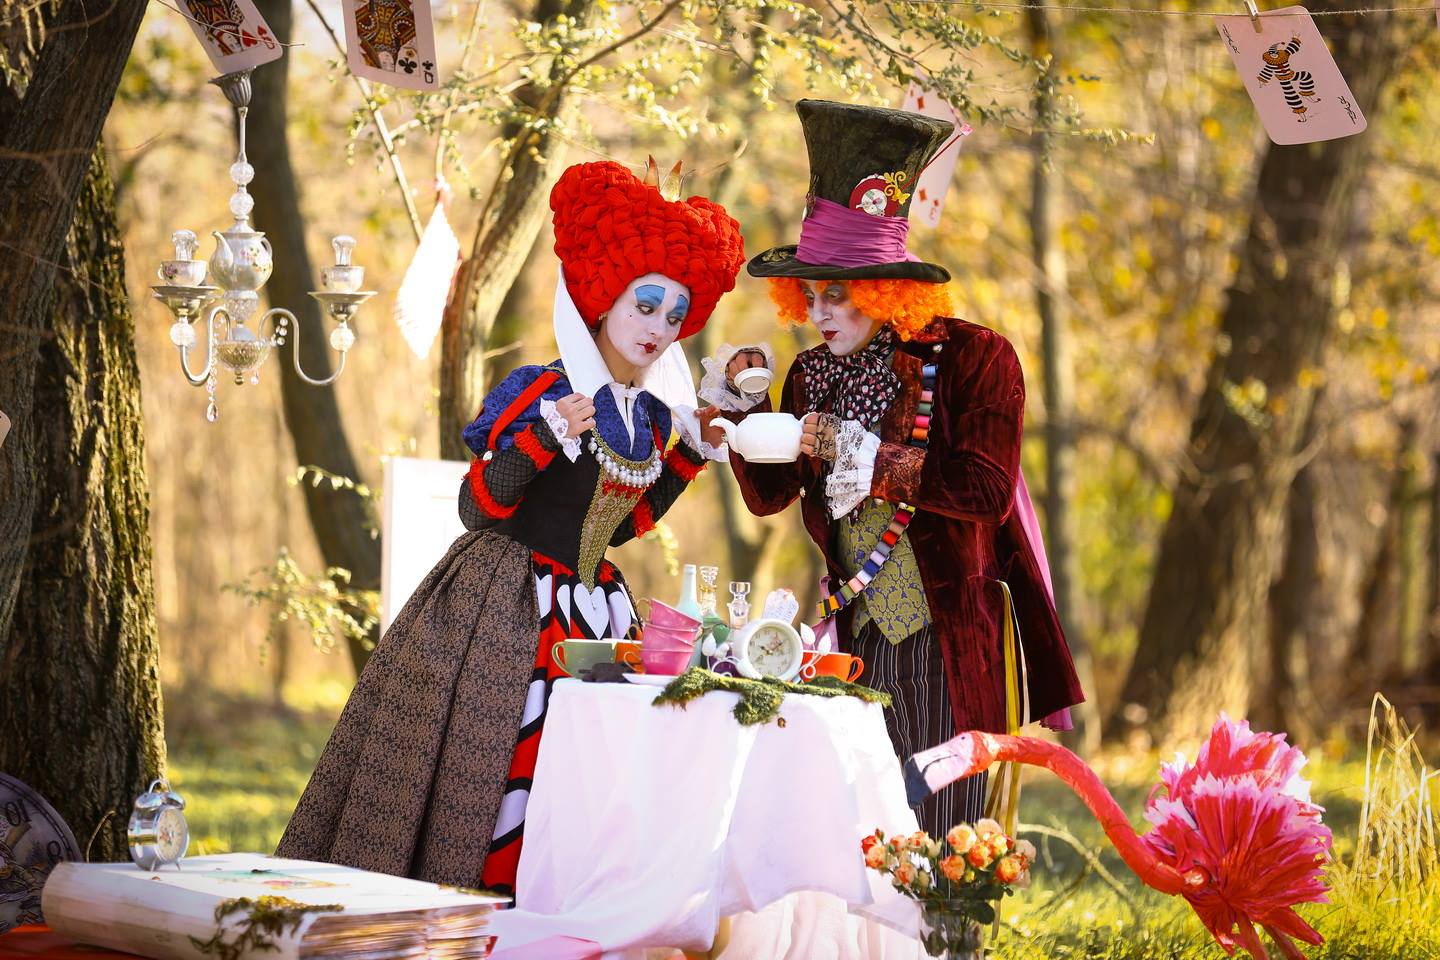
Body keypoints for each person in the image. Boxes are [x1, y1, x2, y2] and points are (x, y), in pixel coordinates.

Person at [277, 159, 745, 894]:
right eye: (646, 305)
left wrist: (687, 455)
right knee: (491, 770)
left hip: (594, 612)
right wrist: (544, 436)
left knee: (583, 776)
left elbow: (623, 525)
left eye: (673, 316)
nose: (658, 328)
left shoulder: (650, 418)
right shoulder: (543, 390)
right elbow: (476, 507)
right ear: (604, 298)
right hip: (502, 607)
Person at [702, 100, 1084, 836]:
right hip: (857, 641)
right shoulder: (811, 373)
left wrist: (865, 456)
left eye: (837, 294)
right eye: (809, 295)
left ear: (884, 288)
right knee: (871, 838)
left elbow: (984, 491)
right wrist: (741, 412)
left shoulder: (976, 357)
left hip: (950, 638)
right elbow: (772, 496)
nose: (819, 313)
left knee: (950, 840)